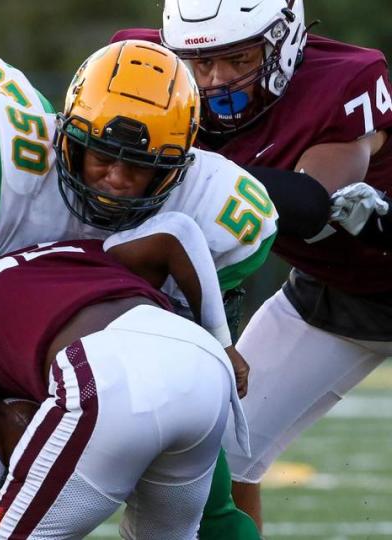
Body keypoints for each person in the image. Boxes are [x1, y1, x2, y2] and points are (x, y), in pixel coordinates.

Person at [0, 41, 276, 537]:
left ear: (176, 167)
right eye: (101, 155)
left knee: (210, 515)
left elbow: (183, 248)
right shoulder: (16, 171)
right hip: (19, 355)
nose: (117, 180)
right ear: (68, 135)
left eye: (142, 165)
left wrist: (221, 339)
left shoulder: (207, 198)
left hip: (105, 373)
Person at [112, 0, 392, 529]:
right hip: (335, 300)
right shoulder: (144, 64)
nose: (216, 82)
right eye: (201, 64)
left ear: (284, 41)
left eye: (238, 59)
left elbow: (309, 204)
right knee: (215, 456)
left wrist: (172, 166)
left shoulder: (347, 78)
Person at [0, 212, 248, 539]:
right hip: (203, 359)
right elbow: (179, 228)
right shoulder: (78, 250)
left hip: (107, 370)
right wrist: (224, 342)